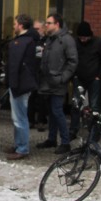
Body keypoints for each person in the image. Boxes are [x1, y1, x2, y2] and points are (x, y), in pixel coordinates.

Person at [36, 13, 78, 155]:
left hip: (58, 82)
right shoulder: (50, 39)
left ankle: (65, 142)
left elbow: (73, 61)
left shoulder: (66, 40)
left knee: (57, 111)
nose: (46, 25)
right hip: (47, 81)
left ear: (57, 24)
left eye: (49, 23)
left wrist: (62, 78)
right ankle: (52, 139)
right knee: (52, 112)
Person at [6, 14, 38, 160]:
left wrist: (12, 83)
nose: (13, 26)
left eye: (15, 24)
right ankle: (19, 145)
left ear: (21, 25)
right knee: (18, 117)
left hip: (19, 84)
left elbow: (15, 64)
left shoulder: (22, 42)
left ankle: (22, 148)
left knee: (19, 118)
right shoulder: (27, 41)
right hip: (20, 84)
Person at [69, 21, 101, 140]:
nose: (83, 40)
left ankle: (94, 132)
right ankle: (73, 130)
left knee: (95, 107)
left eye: (85, 37)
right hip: (79, 78)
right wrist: (74, 75)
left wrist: (99, 76)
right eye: (81, 37)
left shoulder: (98, 42)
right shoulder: (75, 42)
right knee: (76, 105)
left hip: (94, 79)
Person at [28, 20, 48, 131]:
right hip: (33, 71)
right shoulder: (31, 40)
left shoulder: (48, 40)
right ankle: (30, 120)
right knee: (31, 97)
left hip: (43, 73)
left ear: (43, 28)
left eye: (37, 28)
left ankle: (41, 120)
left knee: (42, 98)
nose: (35, 31)